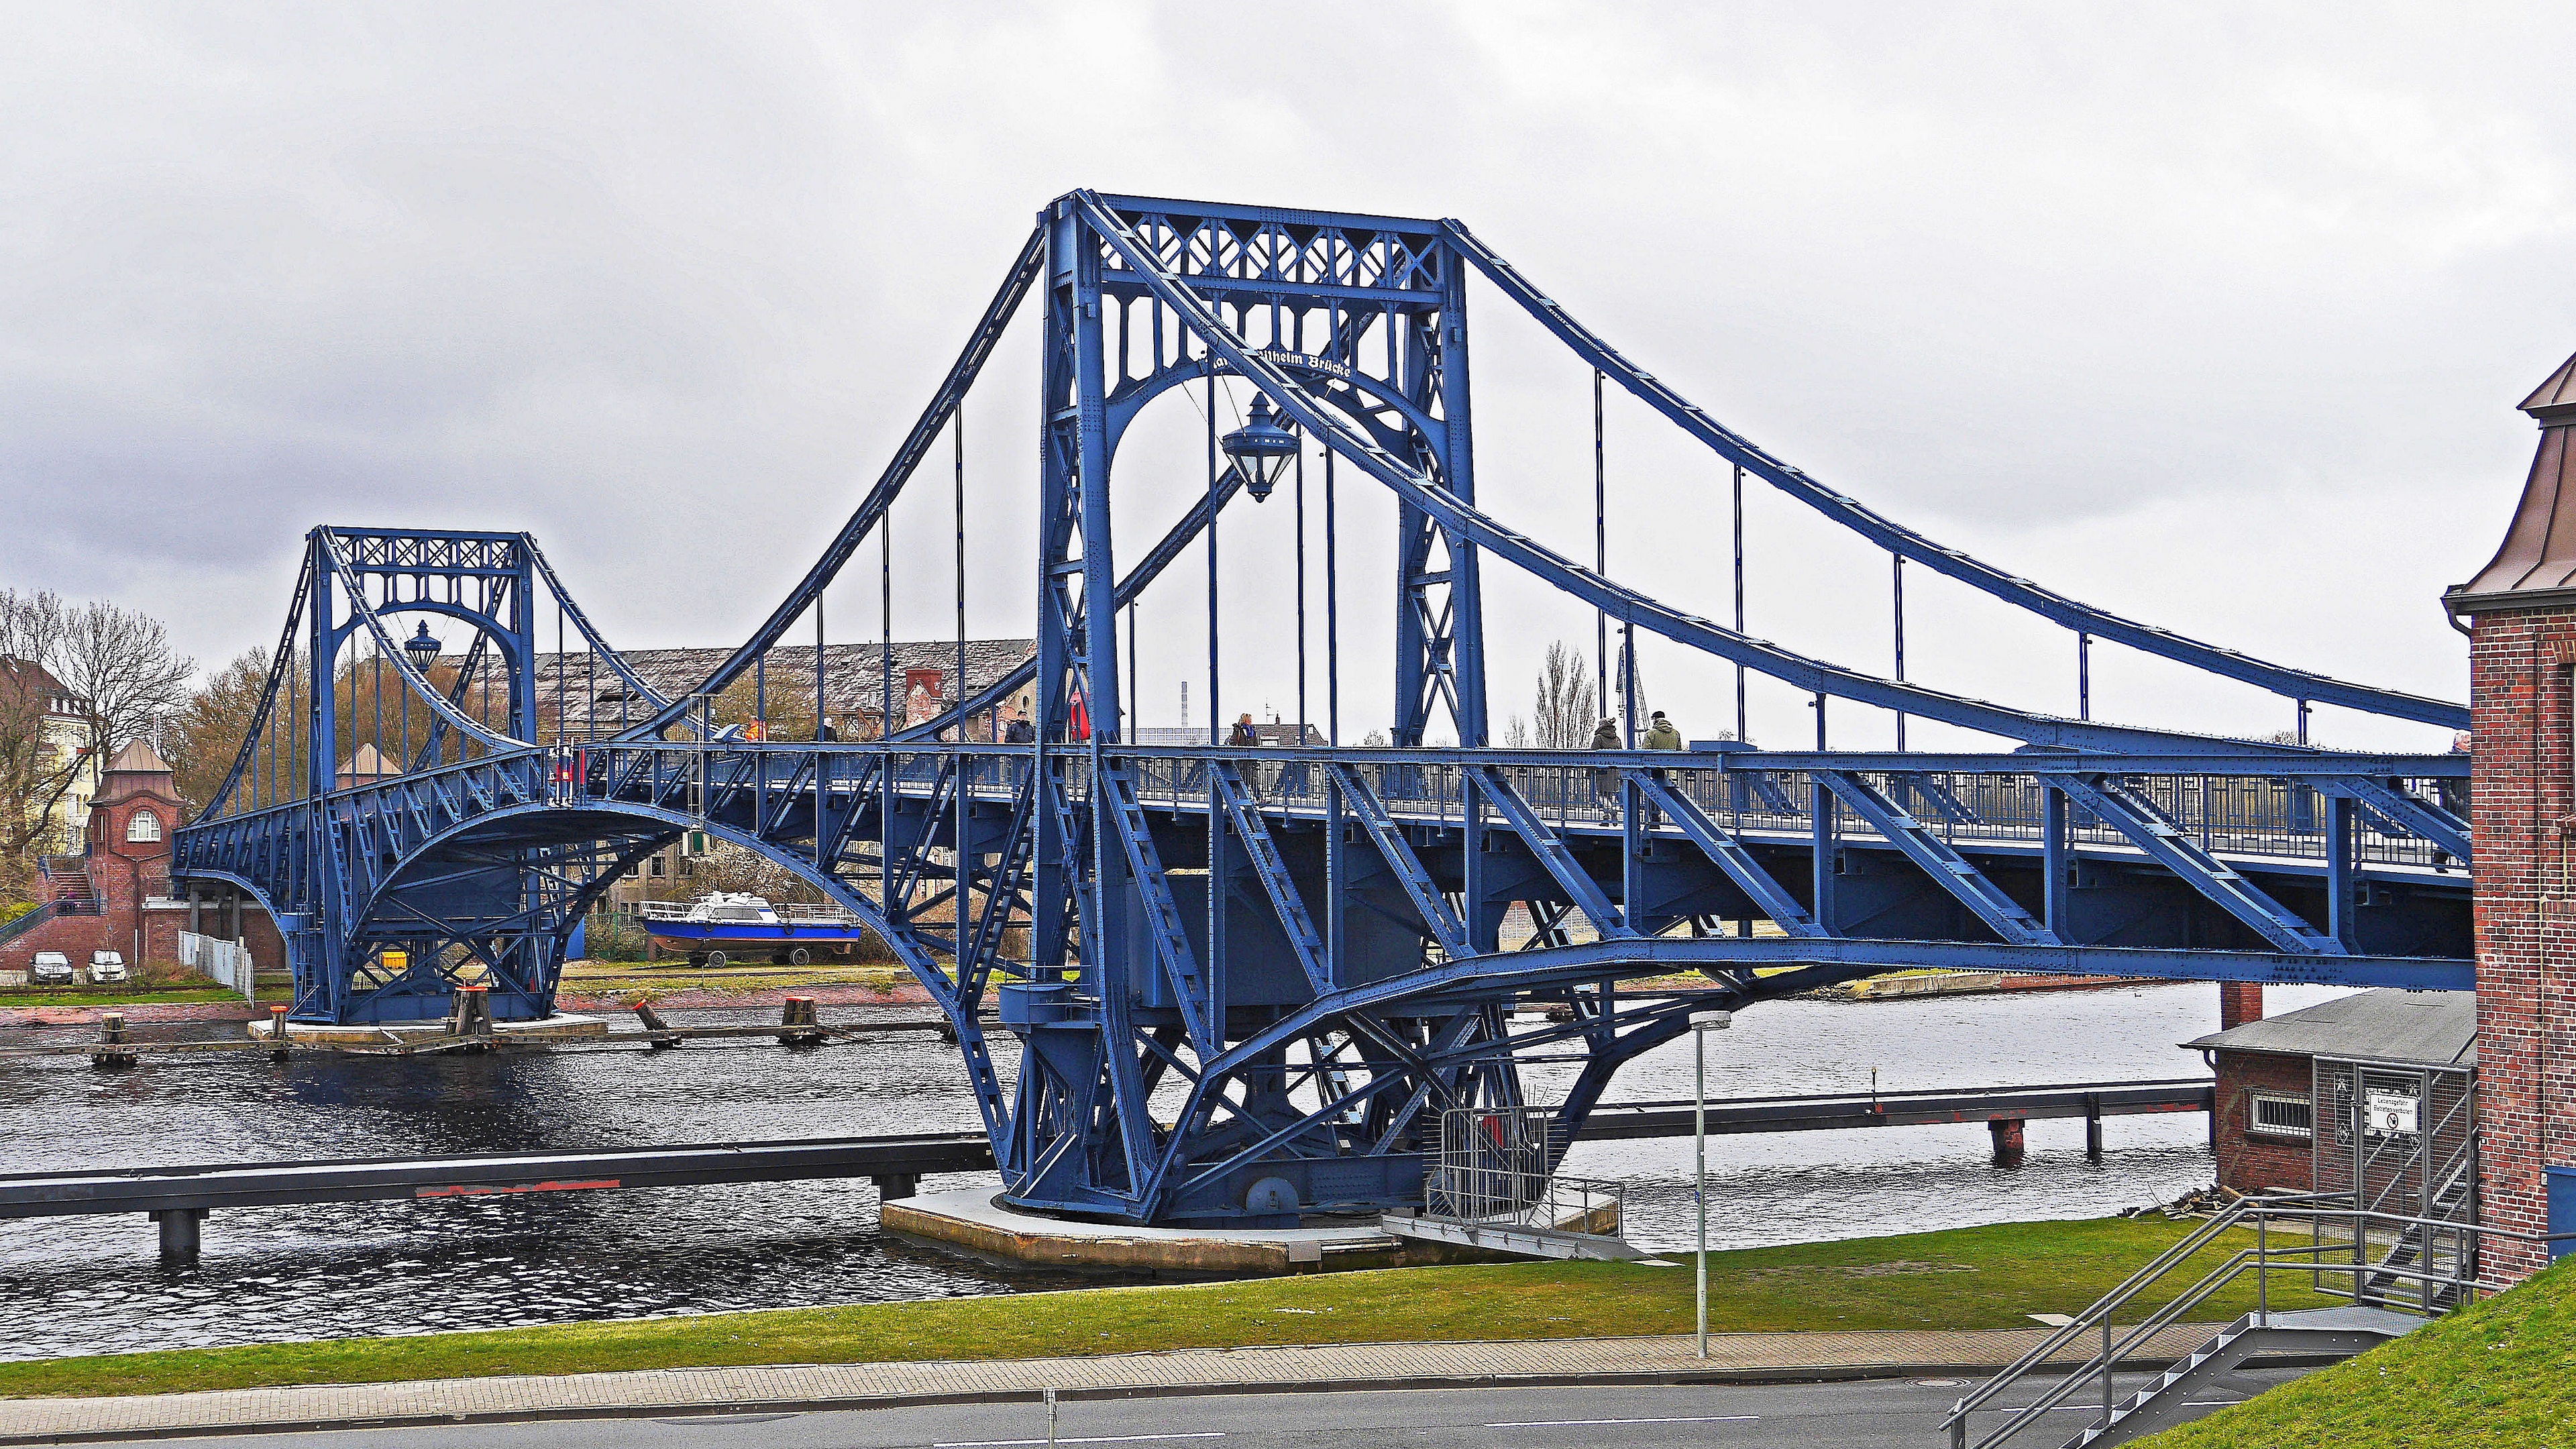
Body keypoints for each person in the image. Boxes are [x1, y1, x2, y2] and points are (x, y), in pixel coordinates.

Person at [1641, 710, 1681, 824]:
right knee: (1671, 794)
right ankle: (1678, 819)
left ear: (1655, 719)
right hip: (1670, 770)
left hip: (1654, 770)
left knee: (1653, 794)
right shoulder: (1675, 733)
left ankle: (1655, 818)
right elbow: (1679, 751)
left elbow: (1645, 752)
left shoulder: (1651, 733)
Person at [1591, 716, 1621, 819]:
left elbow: (1593, 754)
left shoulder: (1599, 738)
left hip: (1602, 770)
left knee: (1601, 793)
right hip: (1614, 770)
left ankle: (1609, 811)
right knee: (1610, 793)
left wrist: (1589, 770)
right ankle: (1606, 815)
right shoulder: (1617, 739)